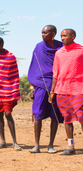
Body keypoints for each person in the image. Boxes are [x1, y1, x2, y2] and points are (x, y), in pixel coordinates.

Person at [27, 25, 64, 154]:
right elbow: (34, 67)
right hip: (40, 84)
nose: (42, 35)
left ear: (53, 34)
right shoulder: (38, 47)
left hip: (56, 84)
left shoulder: (61, 47)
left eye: (45, 33)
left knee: (55, 114)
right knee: (37, 114)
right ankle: (36, 145)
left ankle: (50, 145)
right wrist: (33, 88)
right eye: (42, 33)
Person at [50, 29, 83, 155]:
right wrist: (53, 92)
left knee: (81, 116)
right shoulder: (59, 53)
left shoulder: (81, 50)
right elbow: (55, 73)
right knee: (67, 119)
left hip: (79, 89)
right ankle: (71, 146)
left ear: (73, 36)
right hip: (62, 90)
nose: (62, 38)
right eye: (61, 36)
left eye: (65, 36)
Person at [0, 37, 22, 151]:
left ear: (1, 44)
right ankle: (3, 141)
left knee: (7, 114)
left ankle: (15, 142)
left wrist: (15, 88)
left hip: (8, 89)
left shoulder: (10, 57)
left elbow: (14, 74)